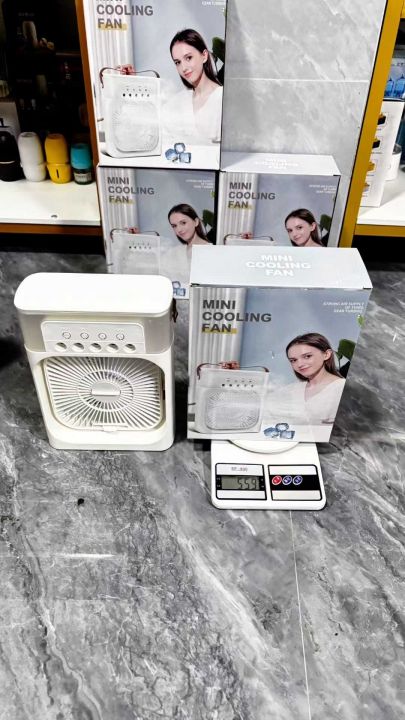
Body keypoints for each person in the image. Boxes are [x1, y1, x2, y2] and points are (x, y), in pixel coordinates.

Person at [265, 332, 346, 426]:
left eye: (307, 356)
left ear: (326, 354)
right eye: (293, 360)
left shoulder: (342, 389)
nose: (300, 364)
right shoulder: (290, 390)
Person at [169, 29, 223, 144]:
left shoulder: (222, 99)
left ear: (204, 56)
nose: (183, 68)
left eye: (188, 58)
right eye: (178, 62)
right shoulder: (179, 101)